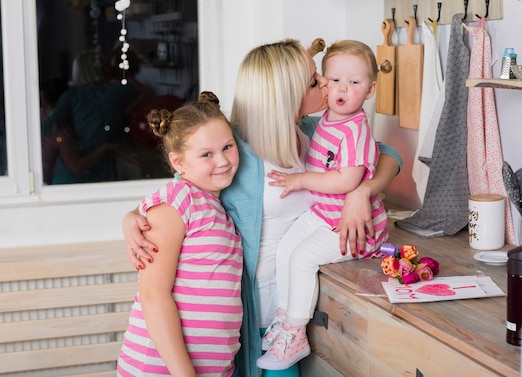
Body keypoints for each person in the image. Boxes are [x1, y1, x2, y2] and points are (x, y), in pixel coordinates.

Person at [123, 39, 403, 377]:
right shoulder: (234, 148)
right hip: (242, 321)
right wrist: (133, 217)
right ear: (287, 94)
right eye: (316, 81)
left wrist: (363, 190)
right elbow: (185, 188)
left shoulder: (316, 133)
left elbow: (387, 154)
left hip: (292, 314)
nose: (327, 86)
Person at [257, 40, 388, 370]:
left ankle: (296, 333)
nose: (341, 88)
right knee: (287, 249)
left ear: (370, 90)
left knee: (302, 258)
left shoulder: (355, 129)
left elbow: (347, 180)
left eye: (354, 82)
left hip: (349, 227)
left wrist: (300, 181)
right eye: (331, 80)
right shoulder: (322, 119)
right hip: (323, 213)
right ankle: (286, 319)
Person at [117, 92, 243, 377]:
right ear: (178, 162)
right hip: (161, 370)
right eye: (207, 154)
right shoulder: (177, 201)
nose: (222, 161)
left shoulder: (212, 204)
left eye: (227, 146)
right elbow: (154, 295)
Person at [41, 50, 134, 184]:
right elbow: (144, 92)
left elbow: (47, 126)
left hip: (70, 176)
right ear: (100, 69)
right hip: (101, 171)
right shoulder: (116, 93)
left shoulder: (72, 95)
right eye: (107, 65)